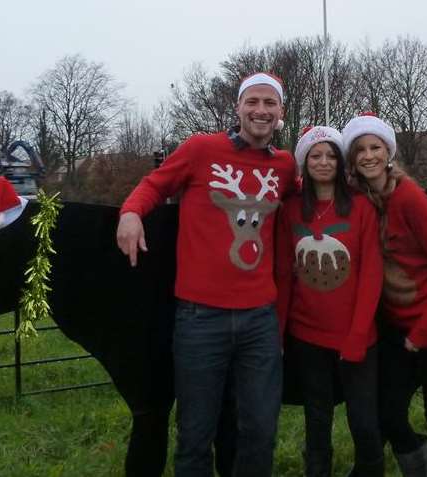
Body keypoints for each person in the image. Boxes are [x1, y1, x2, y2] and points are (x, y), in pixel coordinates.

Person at [116, 72, 297, 477]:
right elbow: (154, 185)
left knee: (260, 431)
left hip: (260, 321)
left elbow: (315, 192)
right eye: (253, 102)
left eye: (270, 103)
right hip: (201, 320)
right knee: (195, 434)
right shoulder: (201, 149)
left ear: (281, 112)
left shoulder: (285, 166)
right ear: (238, 107)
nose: (261, 110)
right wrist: (130, 213)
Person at [341, 113, 427, 477]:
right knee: (389, 411)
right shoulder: (364, 200)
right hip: (398, 330)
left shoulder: (409, 197)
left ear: (388, 152)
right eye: (360, 150)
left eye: (375, 147)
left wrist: (424, 331)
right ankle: (416, 465)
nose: (368, 156)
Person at [275, 126, 384, 477]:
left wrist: (358, 333)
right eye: (315, 155)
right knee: (316, 419)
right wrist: (278, 334)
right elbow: (283, 274)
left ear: (341, 162)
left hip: (355, 335)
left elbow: (370, 275)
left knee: (364, 420)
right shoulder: (291, 210)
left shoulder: (361, 207)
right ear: (304, 163)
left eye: (331, 155)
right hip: (307, 335)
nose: (324, 162)